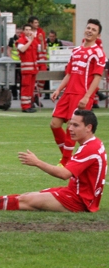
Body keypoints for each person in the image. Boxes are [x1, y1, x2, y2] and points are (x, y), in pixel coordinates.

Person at [0, 109, 106, 212]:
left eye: (75, 125)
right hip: (77, 194)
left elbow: (64, 174)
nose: (70, 128)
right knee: (27, 195)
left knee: (26, 200)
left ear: (89, 128)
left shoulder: (89, 148)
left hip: (80, 201)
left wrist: (37, 162)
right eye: (70, 124)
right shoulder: (93, 143)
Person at [50, 19, 105, 166]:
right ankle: (68, 158)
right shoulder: (76, 50)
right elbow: (69, 73)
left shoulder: (98, 53)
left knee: (72, 127)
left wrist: (87, 97)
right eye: (88, 28)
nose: (89, 31)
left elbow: (97, 77)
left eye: (93, 30)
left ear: (98, 35)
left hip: (82, 94)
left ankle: (66, 161)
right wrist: (59, 89)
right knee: (54, 124)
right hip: (68, 93)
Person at [16, 23, 39, 113]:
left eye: (30, 30)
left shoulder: (32, 40)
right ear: (23, 31)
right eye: (26, 30)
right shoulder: (21, 40)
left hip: (33, 69)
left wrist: (38, 40)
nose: (28, 31)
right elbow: (22, 49)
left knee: (30, 88)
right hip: (26, 69)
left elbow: (40, 49)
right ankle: (25, 106)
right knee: (26, 88)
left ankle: (29, 105)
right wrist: (30, 41)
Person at [28, 16, 47, 106]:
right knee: (31, 80)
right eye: (35, 23)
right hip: (31, 58)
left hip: (40, 58)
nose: (37, 24)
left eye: (37, 23)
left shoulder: (41, 32)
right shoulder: (27, 32)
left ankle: (36, 95)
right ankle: (32, 98)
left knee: (43, 76)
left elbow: (42, 48)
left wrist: (42, 41)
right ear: (31, 23)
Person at [8, 27, 23, 100]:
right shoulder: (12, 40)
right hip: (14, 61)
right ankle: (14, 94)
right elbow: (9, 50)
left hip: (22, 61)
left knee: (22, 79)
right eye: (17, 32)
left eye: (20, 32)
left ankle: (21, 93)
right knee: (13, 78)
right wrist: (11, 59)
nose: (19, 34)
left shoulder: (23, 39)